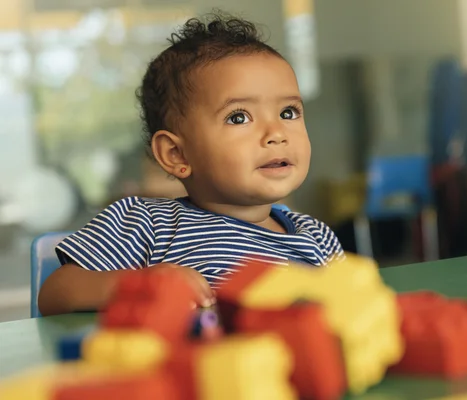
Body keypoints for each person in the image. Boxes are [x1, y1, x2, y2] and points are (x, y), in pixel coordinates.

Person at [38, 12, 345, 316]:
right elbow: (56, 293)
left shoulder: (315, 237)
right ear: (176, 155)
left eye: (288, 112)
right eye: (239, 117)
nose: (276, 133)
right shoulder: (146, 224)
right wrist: (136, 284)